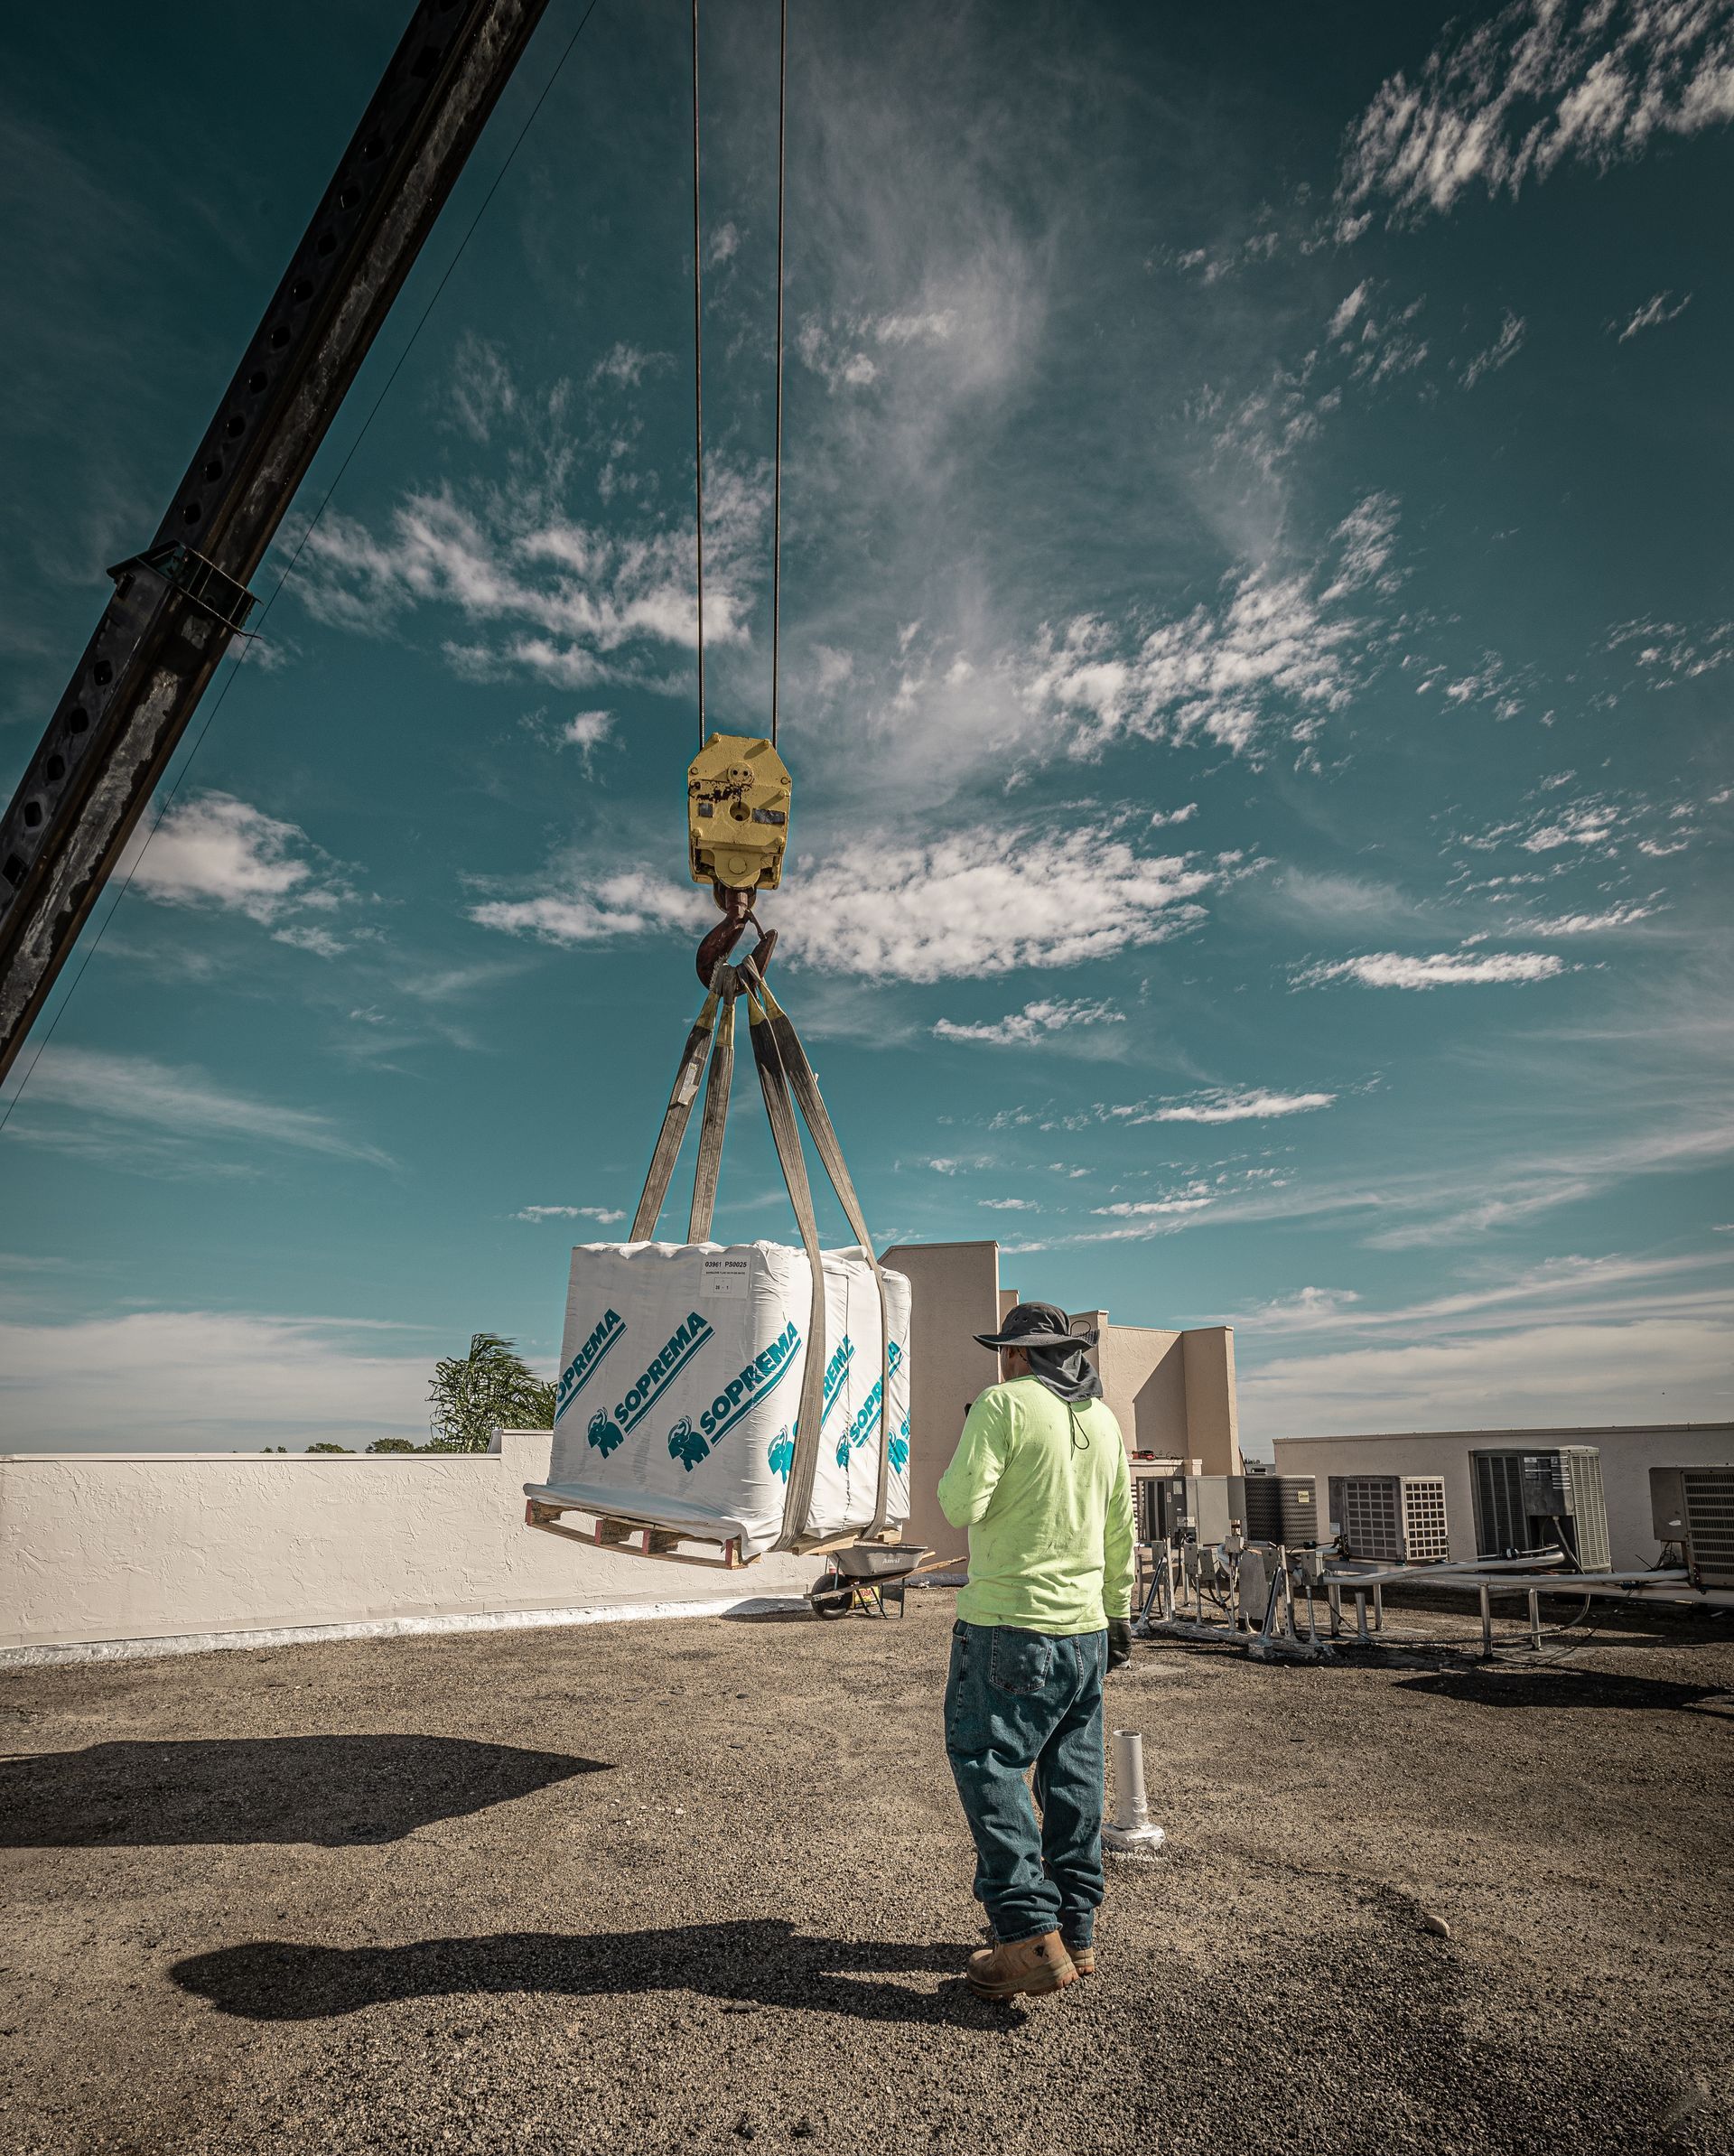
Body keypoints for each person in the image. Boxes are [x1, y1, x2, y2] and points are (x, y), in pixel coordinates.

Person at [936, 1301, 1135, 2001]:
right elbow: (1120, 1528)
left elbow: (961, 1504)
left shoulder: (1002, 1405)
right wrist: (1118, 1614)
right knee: (1073, 1779)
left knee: (988, 1762)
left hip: (1010, 1625)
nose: (1002, 1360)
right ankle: (1075, 1931)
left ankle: (1025, 1933)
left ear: (1022, 1355)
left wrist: (971, 1442)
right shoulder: (1103, 1420)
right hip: (1085, 1630)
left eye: (1006, 1351)